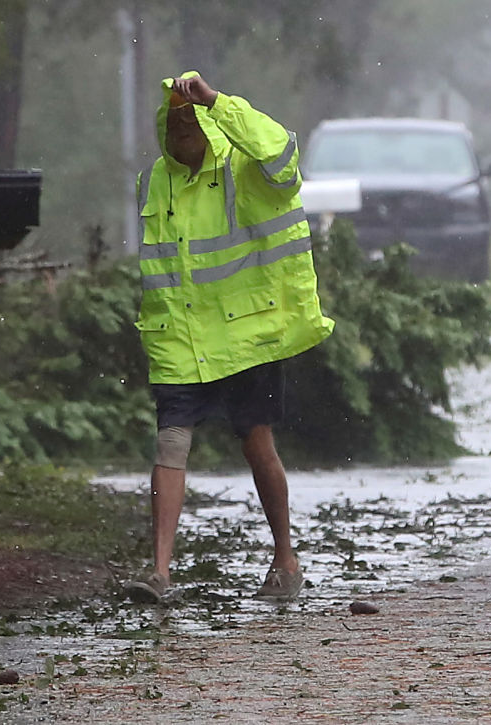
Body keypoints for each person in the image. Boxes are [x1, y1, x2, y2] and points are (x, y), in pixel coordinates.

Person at [124, 71, 334, 604]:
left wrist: (217, 101)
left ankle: (285, 559)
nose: (182, 127)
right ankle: (159, 573)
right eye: (173, 120)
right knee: (170, 443)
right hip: (179, 335)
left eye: (191, 118)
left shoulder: (245, 168)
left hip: (245, 333)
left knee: (256, 442)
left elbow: (282, 154)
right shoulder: (153, 182)